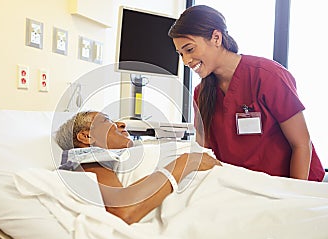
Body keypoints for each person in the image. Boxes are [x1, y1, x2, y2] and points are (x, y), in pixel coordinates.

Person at [168, 5, 324, 182]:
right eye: (180, 54)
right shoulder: (202, 94)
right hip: (242, 189)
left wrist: (293, 195)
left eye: (189, 50)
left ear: (216, 38)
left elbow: (302, 144)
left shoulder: (268, 77)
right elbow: (203, 151)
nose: (186, 61)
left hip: (289, 186)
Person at [55, 111, 220, 224]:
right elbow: (123, 210)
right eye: (106, 120)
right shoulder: (88, 158)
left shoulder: (122, 154)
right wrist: (188, 161)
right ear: (86, 136)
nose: (120, 124)